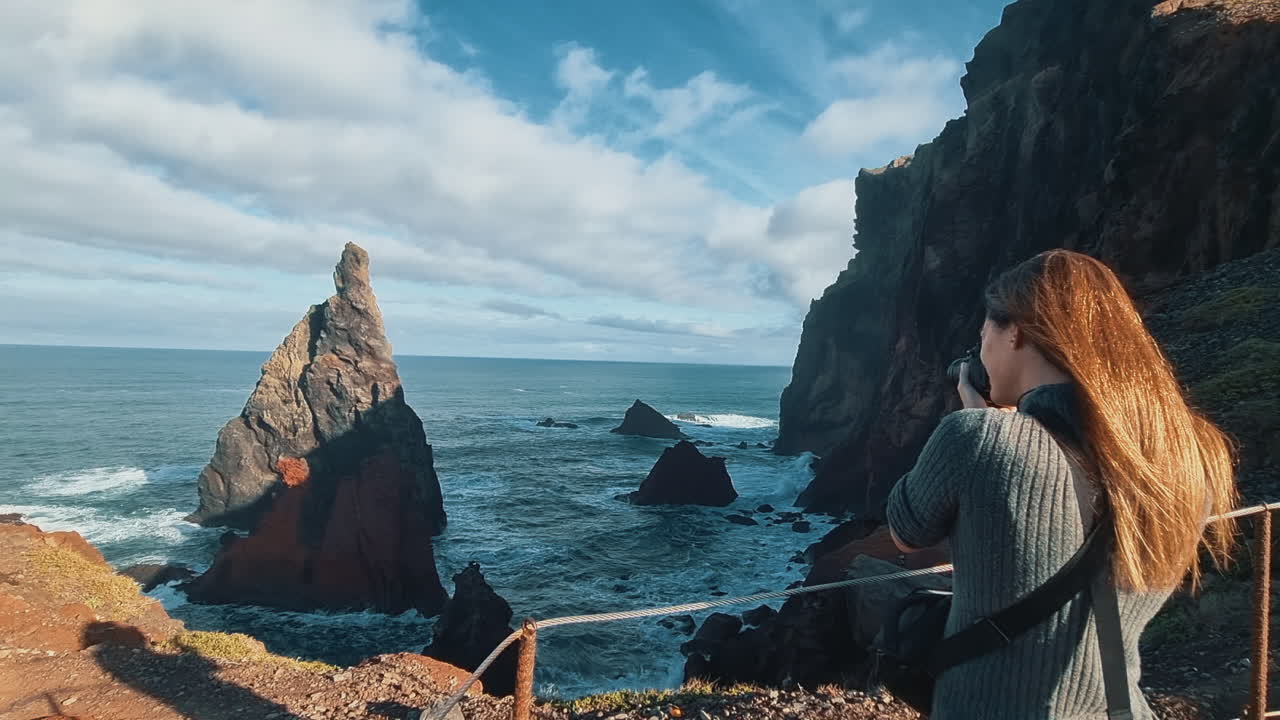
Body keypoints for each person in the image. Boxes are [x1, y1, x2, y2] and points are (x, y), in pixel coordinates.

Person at [886, 249, 1238, 719]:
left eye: (984, 335)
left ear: (1017, 333)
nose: (982, 352)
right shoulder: (1193, 452)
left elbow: (906, 532)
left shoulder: (977, 437)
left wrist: (979, 427)